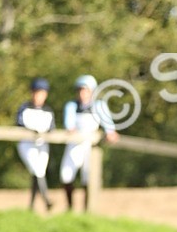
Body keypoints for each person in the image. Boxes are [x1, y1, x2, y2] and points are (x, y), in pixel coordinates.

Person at [60, 74, 119, 210]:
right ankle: (70, 208)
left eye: (86, 90)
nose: (82, 93)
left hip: (90, 147)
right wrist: (71, 129)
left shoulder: (99, 106)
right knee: (66, 176)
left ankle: (87, 209)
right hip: (74, 145)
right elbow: (69, 124)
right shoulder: (72, 106)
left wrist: (110, 132)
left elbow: (109, 125)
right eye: (80, 90)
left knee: (88, 178)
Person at [15, 77, 56, 212]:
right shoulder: (24, 108)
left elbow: (51, 128)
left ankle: (31, 206)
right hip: (27, 144)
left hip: (41, 145)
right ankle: (46, 199)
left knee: (38, 172)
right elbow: (20, 125)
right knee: (37, 170)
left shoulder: (48, 110)